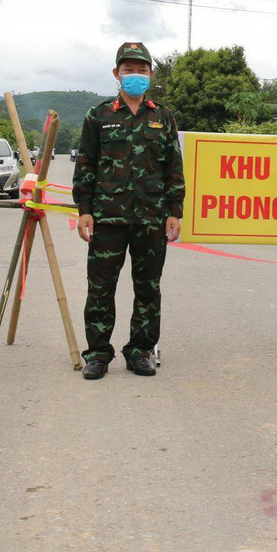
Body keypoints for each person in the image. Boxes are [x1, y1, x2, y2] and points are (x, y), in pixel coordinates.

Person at [72, 42, 185, 380]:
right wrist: (84, 209)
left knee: (148, 288)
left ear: (151, 73)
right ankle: (97, 354)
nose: (135, 75)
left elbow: (173, 167)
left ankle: (140, 351)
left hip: (151, 218)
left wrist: (174, 211)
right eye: (128, 69)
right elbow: (86, 164)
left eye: (141, 69)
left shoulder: (162, 116)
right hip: (107, 218)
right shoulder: (99, 115)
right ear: (116, 73)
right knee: (100, 289)